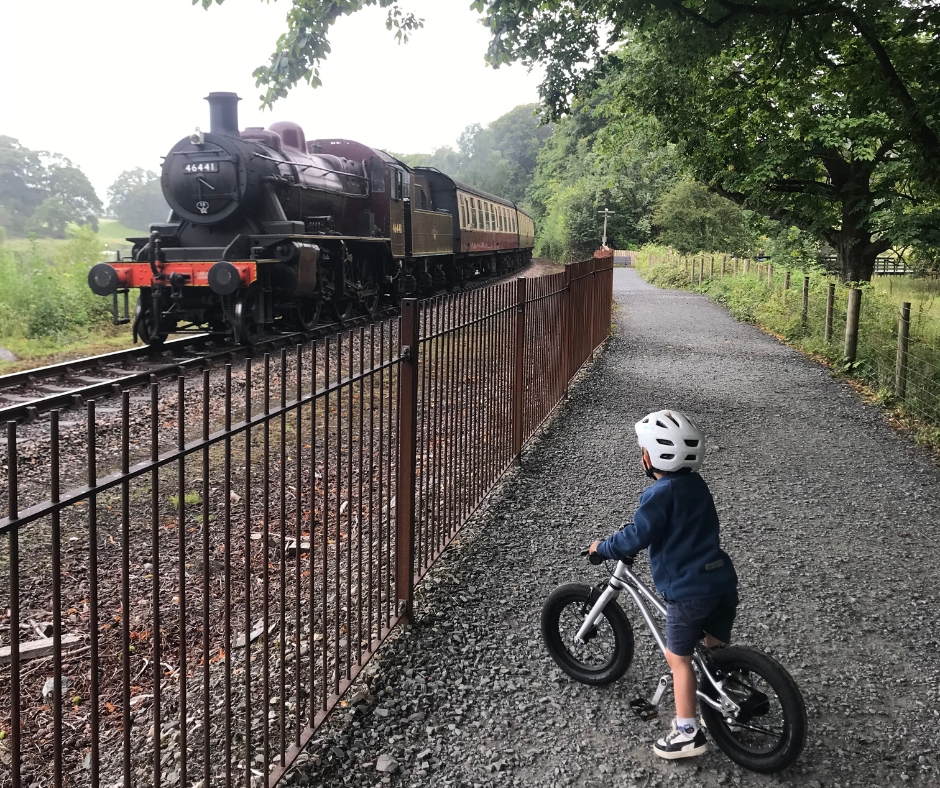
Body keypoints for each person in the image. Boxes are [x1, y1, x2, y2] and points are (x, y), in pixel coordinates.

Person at [589, 409, 738, 760]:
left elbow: (636, 537)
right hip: (721, 580)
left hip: (688, 592)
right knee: (712, 649)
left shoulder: (660, 493)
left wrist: (603, 547)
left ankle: (687, 732)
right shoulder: (697, 485)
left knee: (678, 658)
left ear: (650, 456)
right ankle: (725, 697)